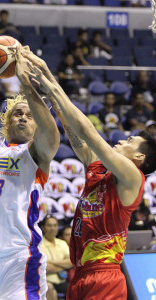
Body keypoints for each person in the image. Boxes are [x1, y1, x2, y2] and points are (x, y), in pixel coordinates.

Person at [21, 49, 156, 300]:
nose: (122, 139)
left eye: (129, 140)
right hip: (80, 274)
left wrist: (53, 90)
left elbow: (90, 134)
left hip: (105, 276)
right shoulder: (100, 171)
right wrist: (47, 73)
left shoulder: (133, 177)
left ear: (139, 158)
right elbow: (76, 133)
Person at [0, 45, 60, 300]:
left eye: (29, 114)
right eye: (18, 113)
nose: (24, 118)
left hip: (20, 260)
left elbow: (51, 134)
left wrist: (25, 82)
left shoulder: (36, 153)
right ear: (7, 120)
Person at [41, 215, 72, 300]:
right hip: (47, 281)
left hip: (63, 281)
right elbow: (44, 267)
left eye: (55, 225)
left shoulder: (62, 243)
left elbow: (71, 261)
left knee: (77, 286)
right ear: (43, 228)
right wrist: (63, 266)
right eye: (49, 225)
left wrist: (51, 261)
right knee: (49, 287)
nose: (53, 228)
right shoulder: (39, 245)